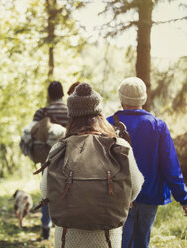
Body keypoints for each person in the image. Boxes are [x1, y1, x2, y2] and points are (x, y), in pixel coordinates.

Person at [40, 83, 144, 248]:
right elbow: (136, 186)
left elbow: (46, 191)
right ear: (99, 113)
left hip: (68, 237)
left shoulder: (60, 147)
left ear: (71, 115)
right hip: (107, 237)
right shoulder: (119, 145)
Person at [107, 77, 187, 248]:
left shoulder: (107, 125)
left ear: (121, 98)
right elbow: (170, 166)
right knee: (142, 242)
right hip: (148, 196)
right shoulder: (157, 125)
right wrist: (183, 198)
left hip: (115, 194)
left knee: (117, 243)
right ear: (143, 98)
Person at [33, 81, 68, 240]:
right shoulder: (71, 111)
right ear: (63, 94)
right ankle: (64, 229)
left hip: (47, 158)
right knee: (68, 191)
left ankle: (45, 227)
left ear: (49, 94)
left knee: (47, 190)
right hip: (69, 157)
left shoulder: (42, 112)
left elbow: (33, 133)